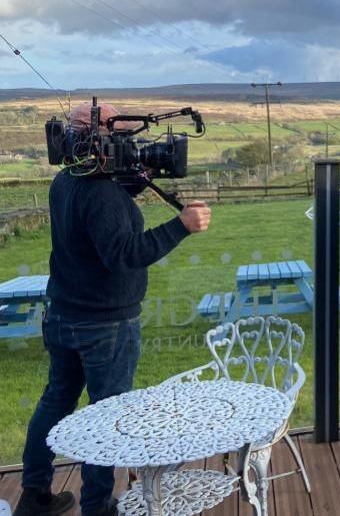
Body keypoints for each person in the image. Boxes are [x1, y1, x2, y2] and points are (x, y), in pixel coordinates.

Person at [16, 103, 212, 516]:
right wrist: (182, 226)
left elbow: (102, 217)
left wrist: (133, 186)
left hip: (64, 313)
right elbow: (124, 252)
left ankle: (34, 495)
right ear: (99, 138)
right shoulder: (100, 192)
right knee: (106, 419)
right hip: (105, 323)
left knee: (56, 401)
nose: (132, 145)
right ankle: (98, 506)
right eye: (122, 135)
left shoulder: (67, 179)